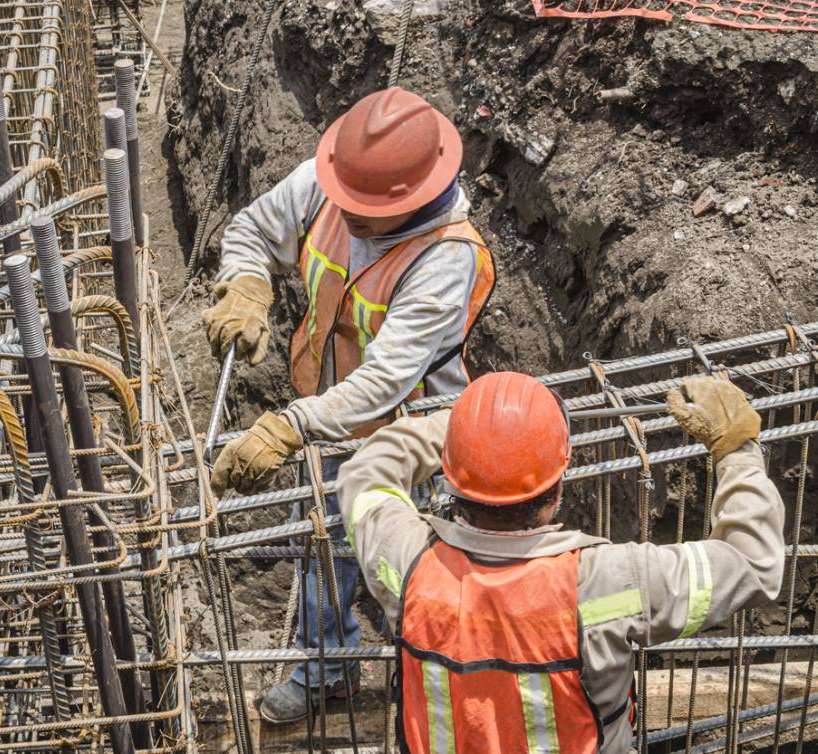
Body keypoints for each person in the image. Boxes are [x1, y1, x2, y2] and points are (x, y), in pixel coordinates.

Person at [201, 86, 496, 722]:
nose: (345, 215)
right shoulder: (336, 183)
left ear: (410, 200)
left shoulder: (446, 258)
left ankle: (424, 668)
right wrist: (248, 281)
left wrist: (288, 427)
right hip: (334, 417)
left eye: (364, 212)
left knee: (412, 561)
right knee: (326, 548)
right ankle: (327, 669)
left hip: (416, 436)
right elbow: (253, 227)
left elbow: (386, 380)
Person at [338, 371, 785, 752]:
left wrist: (468, 430)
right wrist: (737, 450)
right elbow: (755, 562)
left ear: (453, 479)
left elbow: (368, 469)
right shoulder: (607, 580)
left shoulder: (406, 560)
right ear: (557, 489)